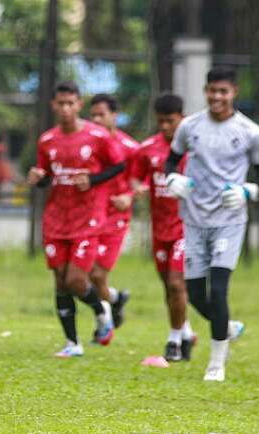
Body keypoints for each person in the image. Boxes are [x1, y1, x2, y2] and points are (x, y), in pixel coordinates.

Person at [165, 66, 259, 381]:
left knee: (218, 291)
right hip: (193, 219)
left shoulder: (249, 131)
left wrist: (248, 190)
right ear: (205, 91)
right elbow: (172, 158)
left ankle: (216, 363)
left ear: (234, 92)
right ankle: (228, 327)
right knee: (193, 293)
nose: (217, 97)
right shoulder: (189, 126)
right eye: (212, 91)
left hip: (228, 221)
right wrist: (172, 178)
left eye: (224, 91)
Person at [27, 81, 124, 358]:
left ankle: (100, 308)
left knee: (76, 280)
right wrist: (38, 179)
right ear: (54, 106)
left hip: (87, 218)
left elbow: (118, 165)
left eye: (71, 103)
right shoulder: (47, 140)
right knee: (60, 280)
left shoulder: (98, 136)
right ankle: (73, 343)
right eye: (61, 104)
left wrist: (92, 179)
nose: (66, 108)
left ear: (79, 105)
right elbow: (47, 178)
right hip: (56, 219)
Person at [130, 93, 196, 361]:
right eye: (161, 122)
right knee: (168, 286)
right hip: (160, 229)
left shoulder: (194, 148)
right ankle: (187, 332)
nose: (166, 127)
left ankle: (174, 342)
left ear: (182, 118)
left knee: (176, 282)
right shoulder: (148, 148)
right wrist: (140, 189)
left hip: (187, 226)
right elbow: (136, 179)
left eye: (170, 121)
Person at [88, 94, 137, 328]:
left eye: (102, 114)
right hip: (89, 215)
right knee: (85, 272)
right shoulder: (86, 145)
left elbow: (143, 179)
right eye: (93, 115)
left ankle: (103, 322)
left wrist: (129, 196)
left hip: (115, 217)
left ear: (114, 116)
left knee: (97, 274)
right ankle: (115, 299)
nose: (97, 119)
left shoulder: (130, 148)